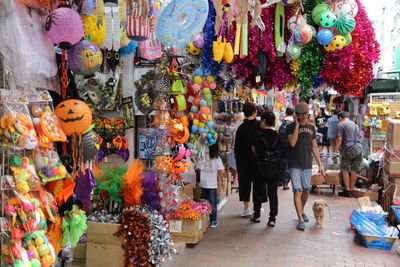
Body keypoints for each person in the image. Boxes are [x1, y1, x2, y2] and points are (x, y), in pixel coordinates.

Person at [287, 102, 324, 230]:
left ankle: (301, 210)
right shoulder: (290, 127)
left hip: (307, 163)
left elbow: (314, 147)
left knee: (306, 190)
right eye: (300, 115)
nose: (303, 117)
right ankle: (300, 218)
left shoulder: (312, 128)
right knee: (297, 190)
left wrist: (320, 164)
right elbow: (292, 143)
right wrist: (297, 125)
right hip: (294, 163)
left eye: (305, 114)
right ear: (296, 115)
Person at [250, 111, 280, 226]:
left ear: (263, 121)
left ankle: (257, 215)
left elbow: (253, 149)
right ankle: (272, 219)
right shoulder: (277, 135)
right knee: (273, 193)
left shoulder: (256, 134)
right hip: (274, 167)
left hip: (260, 166)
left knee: (257, 191)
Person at [234, 102, 259, 217]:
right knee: (258, 182)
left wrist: (238, 160)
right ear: (254, 112)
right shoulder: (259, 126)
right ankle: (257, 208)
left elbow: (237, 147)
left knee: (245, 183)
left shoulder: (241, 128)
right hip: (257, 160)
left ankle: (246, 208)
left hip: (243, 160)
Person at [197, 141, 225, 228]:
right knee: (213, 203)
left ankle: (204, 219)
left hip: (203, 183)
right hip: (212, 184)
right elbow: (221, 171)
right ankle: (213, 221)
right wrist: (222, 180)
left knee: (204, 201)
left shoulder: (203, 157)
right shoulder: (217, 159)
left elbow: (198, 168)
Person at [335, 112, 363, 198]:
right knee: (354, 170)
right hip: (359, 148)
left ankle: (347, 190)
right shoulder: (355, 125)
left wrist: (336, 149)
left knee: (345, 169)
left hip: (348, 149)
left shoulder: (341, 124)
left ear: (340, 117)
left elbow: (339, 139)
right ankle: (351, 189)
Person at [278, 107, 294, 190]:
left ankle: (279, 181)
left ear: (286, 113)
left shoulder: (280, 122)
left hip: (280, 145)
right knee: (287, 163)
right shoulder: (294, 123)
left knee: (280, 161)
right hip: (290, 145)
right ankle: (285, 183)